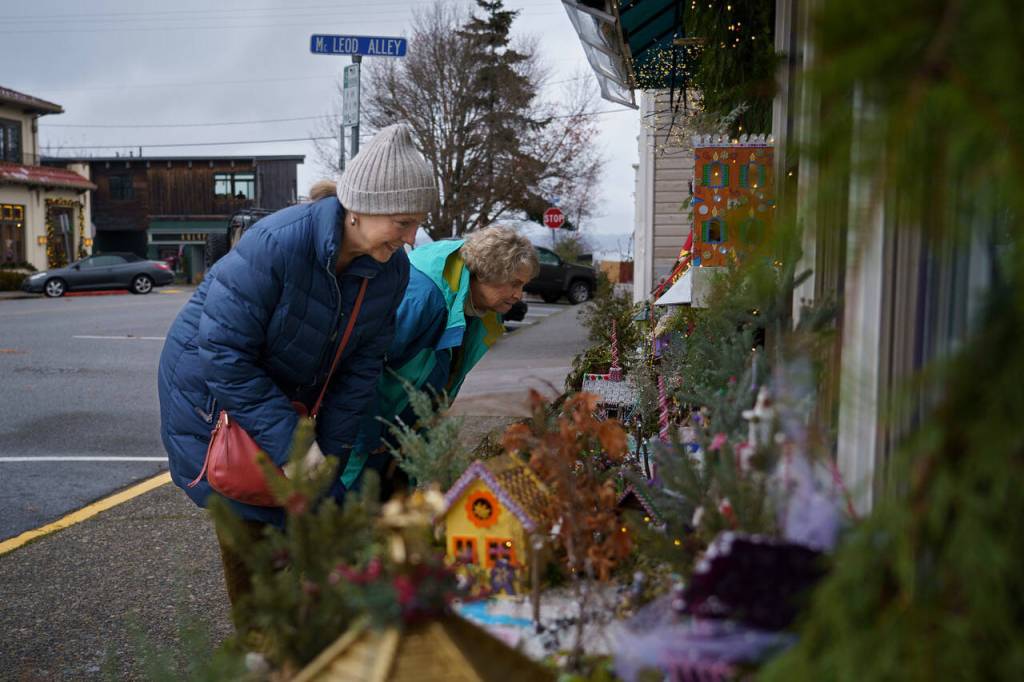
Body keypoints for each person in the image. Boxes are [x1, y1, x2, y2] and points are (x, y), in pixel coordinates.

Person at [157, 123, 437, 606]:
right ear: (361, 208)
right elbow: (224, 355)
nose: (412, 237)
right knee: (252, 530)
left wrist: (324, 458)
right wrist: (293, 447)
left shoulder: (391, 272)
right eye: (403, 221)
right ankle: (261, 649)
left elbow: (361, 369)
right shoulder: (278, 243)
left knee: (307, 527)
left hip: (284, 401)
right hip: (212, 403)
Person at [341, 225, 540, 497]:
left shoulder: (476, 307)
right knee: (345, 518)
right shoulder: (423, 297)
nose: (519, 295)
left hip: (398, 437)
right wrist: (368, 433)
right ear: (486, 273)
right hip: (364, 436)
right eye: (515, 284)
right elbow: (358, 363)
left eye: (523, 286)